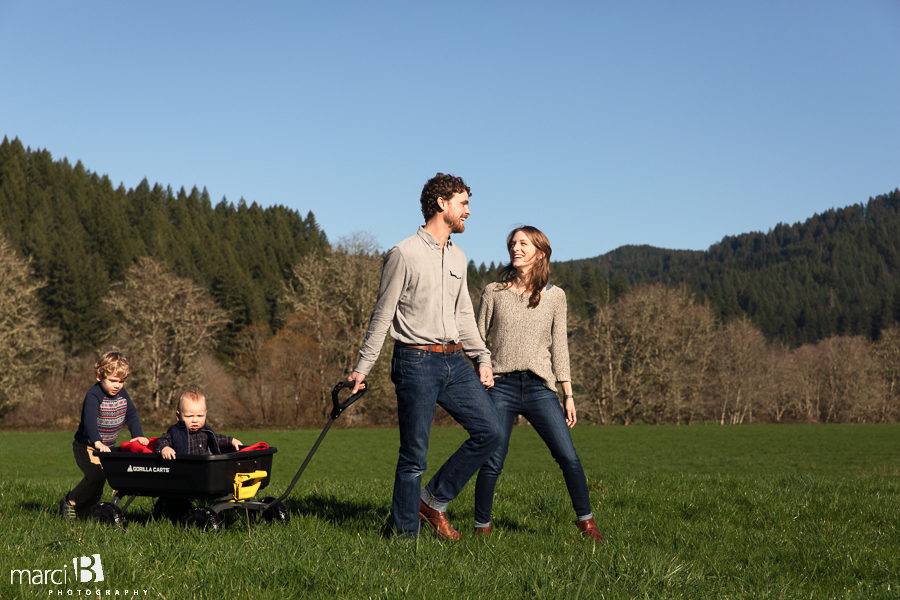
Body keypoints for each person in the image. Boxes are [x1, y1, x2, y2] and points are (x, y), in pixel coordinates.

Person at [348, 172, 502, 540]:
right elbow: (382, 314)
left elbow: (464, 313)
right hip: (415, 361)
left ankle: (432, 501)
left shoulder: (459, 256)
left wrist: (482, 358)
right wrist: (361, 369)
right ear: (441, 203)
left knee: (491, 432)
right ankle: (404, 538)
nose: (468, 211)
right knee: (414, 455)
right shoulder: (403, 253)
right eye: (463, 203)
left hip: (455, 361)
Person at [473, 226, 603, 541]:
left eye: (523, 244)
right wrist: (482, 365)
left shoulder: (556, 297)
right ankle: (482, 529)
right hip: (500, 386)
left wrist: (568, 394)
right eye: (513, 243)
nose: (515, 248)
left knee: (568, 457)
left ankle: (587, 524)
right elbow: (476, 339)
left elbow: (560, 347)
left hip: (540, 388)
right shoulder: (494, 292)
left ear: (540, 252)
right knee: (492, 461)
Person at [60, 351, 149, 520]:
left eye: (121, 381)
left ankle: (86, 511)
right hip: (87, 446)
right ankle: (70, 501)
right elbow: (89, 421)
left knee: (100, 481)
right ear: (99, 377)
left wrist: (137, 434)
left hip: (105, 448)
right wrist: (97, 441)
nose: (117, 385)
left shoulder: (122, 394)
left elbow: (131, 414)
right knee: (96, 476)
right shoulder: (94, 395)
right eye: (113, 380)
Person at [155, 389, 243, 459]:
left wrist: (231, 440)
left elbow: (217, 438)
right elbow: (161, 441)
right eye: (189, 416)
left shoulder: (206, 431)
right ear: (178, 416)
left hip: (205, 469)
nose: (195, 420)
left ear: (205, 414)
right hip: (185, 469)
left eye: (200, 416)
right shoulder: (175, 432)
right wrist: (164, 448)